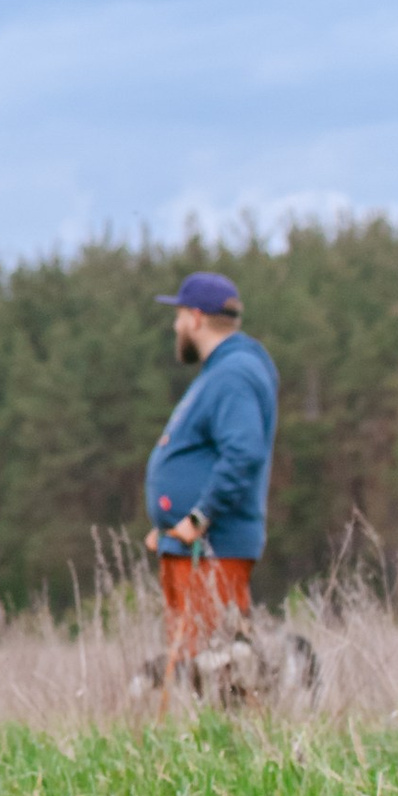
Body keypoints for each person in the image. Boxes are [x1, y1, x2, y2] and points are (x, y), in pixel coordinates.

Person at [145, 271, 280, 677]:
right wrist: (168, 525)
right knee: (199, 667)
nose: (176, 325)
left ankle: (235, 739)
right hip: (189, 546)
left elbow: (243, 453)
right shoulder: (221, 371)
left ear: (197, 318)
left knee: (215, 672)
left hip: (211, 548)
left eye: (180, 315)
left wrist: (199, 518)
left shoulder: (233, 373)